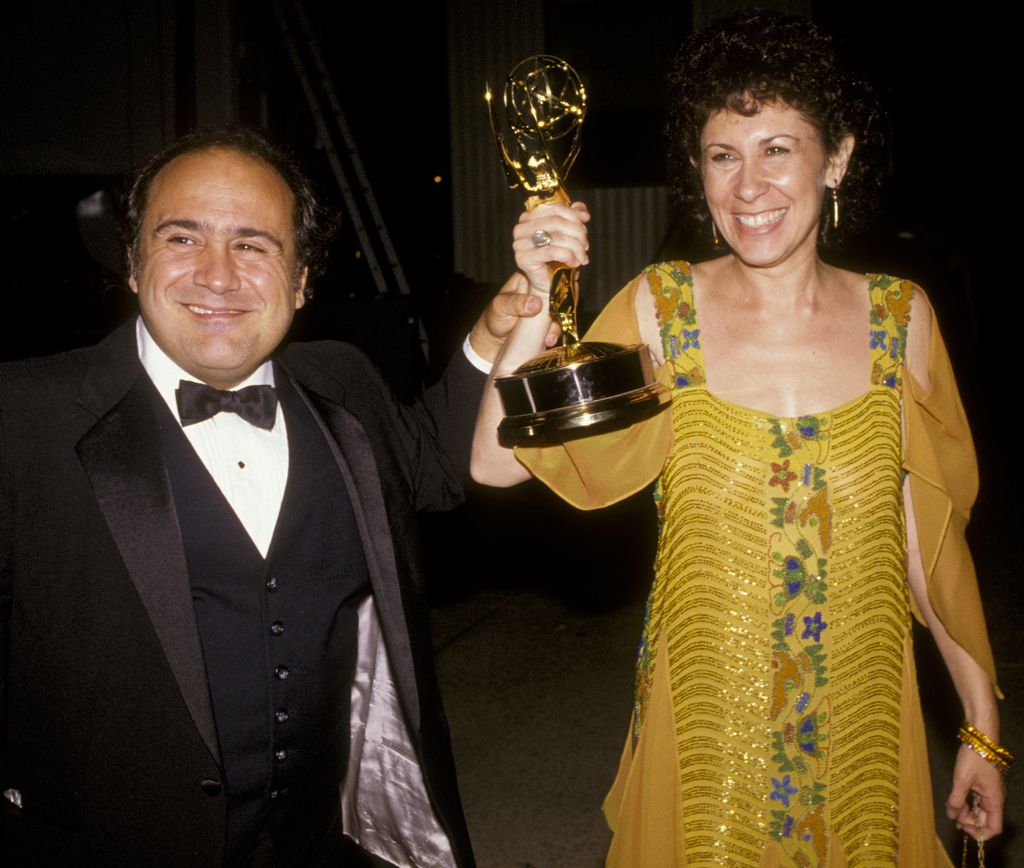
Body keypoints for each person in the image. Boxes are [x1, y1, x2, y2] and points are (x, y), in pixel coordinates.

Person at [472, 11, 1007, 866]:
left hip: (864, 718)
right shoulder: (664, 308)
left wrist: (981, 722)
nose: (748, 185)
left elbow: (923, 537)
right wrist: (537, 295)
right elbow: (495, 463)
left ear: (836, 158)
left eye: (777, 149)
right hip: (706, 737)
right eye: (723, 155)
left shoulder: (900, 320)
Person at [0, 127, 542, 867]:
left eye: (254, 245)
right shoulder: (23, 417)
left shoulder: (343, 382)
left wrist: (493, 332)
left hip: (314, 843)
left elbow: (439, 463)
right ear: (132, 263)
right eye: (183, 239)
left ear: (302, 279)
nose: (217, 276)